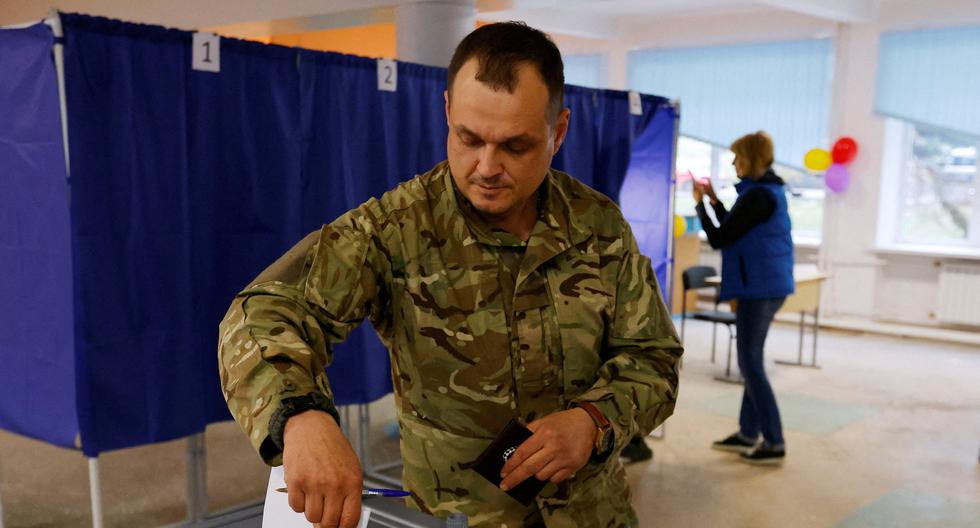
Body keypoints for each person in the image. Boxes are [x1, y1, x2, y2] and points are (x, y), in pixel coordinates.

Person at [218, 22, 682, 528]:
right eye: (469, 138)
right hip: (458, 518)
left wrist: (594, 422)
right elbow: (261, 313)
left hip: (594, 515)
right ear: (446, 113)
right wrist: (302, 417)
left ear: (559, 131)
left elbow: (653, 359)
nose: (486, 166)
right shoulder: (397, 229)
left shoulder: (599, 225)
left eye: (515, 146)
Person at [692, 131, 793, 465]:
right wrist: (712, 201)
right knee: (751, 363)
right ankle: (748, 433)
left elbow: (720, 238)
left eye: (737, 157)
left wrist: (699, 205)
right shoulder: (762, 192)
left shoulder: (759, 196)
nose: (734, 162)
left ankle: (774, 440)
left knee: (751, 365)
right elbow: (734, 226)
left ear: (750, 158)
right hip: (764, 285)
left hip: (759, 289)